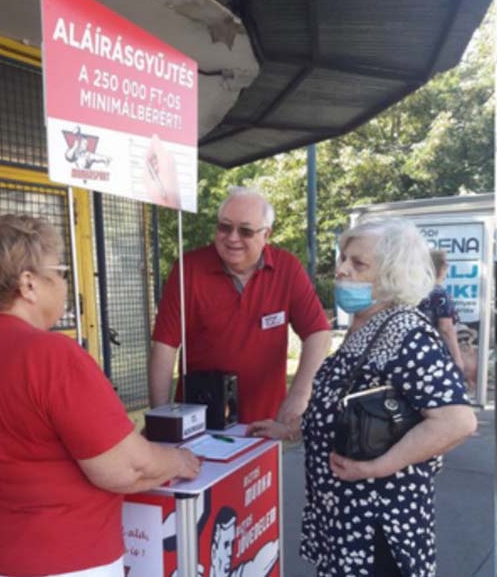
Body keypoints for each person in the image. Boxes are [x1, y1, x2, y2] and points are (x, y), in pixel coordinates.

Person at [0, 214, 201, 577]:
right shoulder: (51, 355)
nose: (64, 284)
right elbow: (127, 468)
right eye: (60, 272)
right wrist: (178, 460)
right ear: (28, 284)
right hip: (57, 557)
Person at [249, 218, 477, 577]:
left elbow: (458, 422)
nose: (340, 270)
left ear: (391, 277)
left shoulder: (407, 333)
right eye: (343, 259)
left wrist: (376, 467)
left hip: (377, 527)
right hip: (347, 520)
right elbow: (354, 411)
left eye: (358, 264)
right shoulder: (367, 327)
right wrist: (293, 430)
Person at [148, 186, 333, 427]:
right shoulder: (188, 269)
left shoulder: (287, 268)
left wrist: (299, 395)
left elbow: (318, 333)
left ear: (267, 234)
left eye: (245, 231)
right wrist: (161, 419)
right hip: (200, 421)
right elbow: (164, 346)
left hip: (265, 423)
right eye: (224, 227)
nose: (232, 237)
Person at [418, 249, 471, 385]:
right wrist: (457, 358)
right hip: (437, 354)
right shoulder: (439, 294)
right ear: (442, 268)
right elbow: (446, 328)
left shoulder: (414, 292)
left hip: (416, 351)